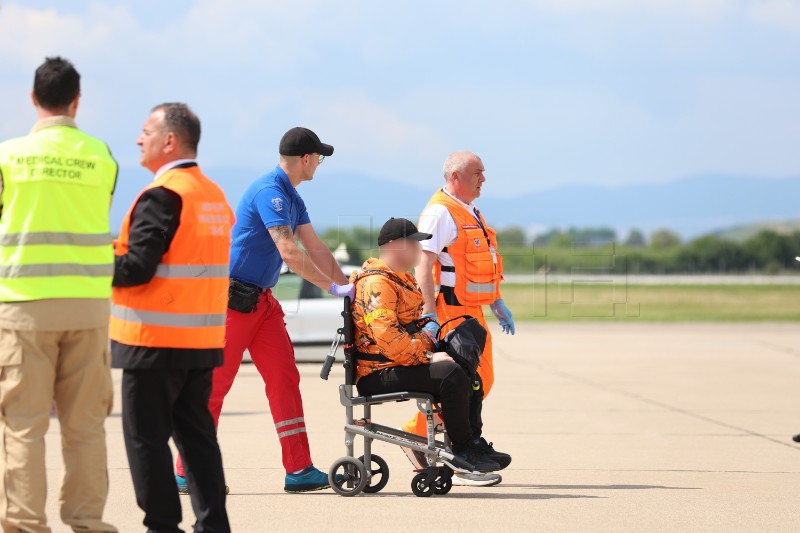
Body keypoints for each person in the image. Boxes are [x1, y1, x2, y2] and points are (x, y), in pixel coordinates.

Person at [175, 127, 354, 493]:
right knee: (214, 386)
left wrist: (352, 288)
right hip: (231, 302)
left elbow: (316, 247)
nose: (319, 163)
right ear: (305, 159)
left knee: (285, 379)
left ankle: (299, 469)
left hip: (262, 303)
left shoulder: (292, 197)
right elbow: (289, 251)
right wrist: (332, 287)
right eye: (318, 157)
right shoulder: (269, 191)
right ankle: (186, 471)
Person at [0, 57, 118, 533]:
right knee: (85, 426)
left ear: (33, 97)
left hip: (24, 305)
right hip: (88, 307)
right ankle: (88, 522)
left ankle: (26, 525)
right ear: (77, 100)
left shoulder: (9, 156)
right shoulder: (101, 156)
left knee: (24, 426)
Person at [111, 103, 232, 532]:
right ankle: (213, 525)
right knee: (198, 439)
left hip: (153, 342)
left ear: (169, 140)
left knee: (145, 441)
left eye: (145, 131)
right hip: (200, 342)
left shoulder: (163, 194)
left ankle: (162, 526)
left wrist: (95, 258)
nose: (138, 139)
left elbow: (136, 268)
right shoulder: (213, 194)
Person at [351, 217, 510, 472]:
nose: (418, 250)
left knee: (469, 372)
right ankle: (463, 449)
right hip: (377, 372)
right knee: (451, 375)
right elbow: (388, 338)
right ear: (394, 246)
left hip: (399, 362)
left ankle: (473, 444)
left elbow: (413, 324)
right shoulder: (376, 284)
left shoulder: (399, 278)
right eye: (413, 244)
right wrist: (428, 356)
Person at [401, 151, 514, 487]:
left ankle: (429, 436)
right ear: (455, 177)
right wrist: (429, 313)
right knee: (468, 384)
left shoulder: (468, 209)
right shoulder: (439, 212)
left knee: (483, 381)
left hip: (472, 311)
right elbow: (424, 265)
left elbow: (476, 262)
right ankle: (453, 450)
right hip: (451, 312)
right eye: (477, 173)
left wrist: (496, 300)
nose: (483, 179)